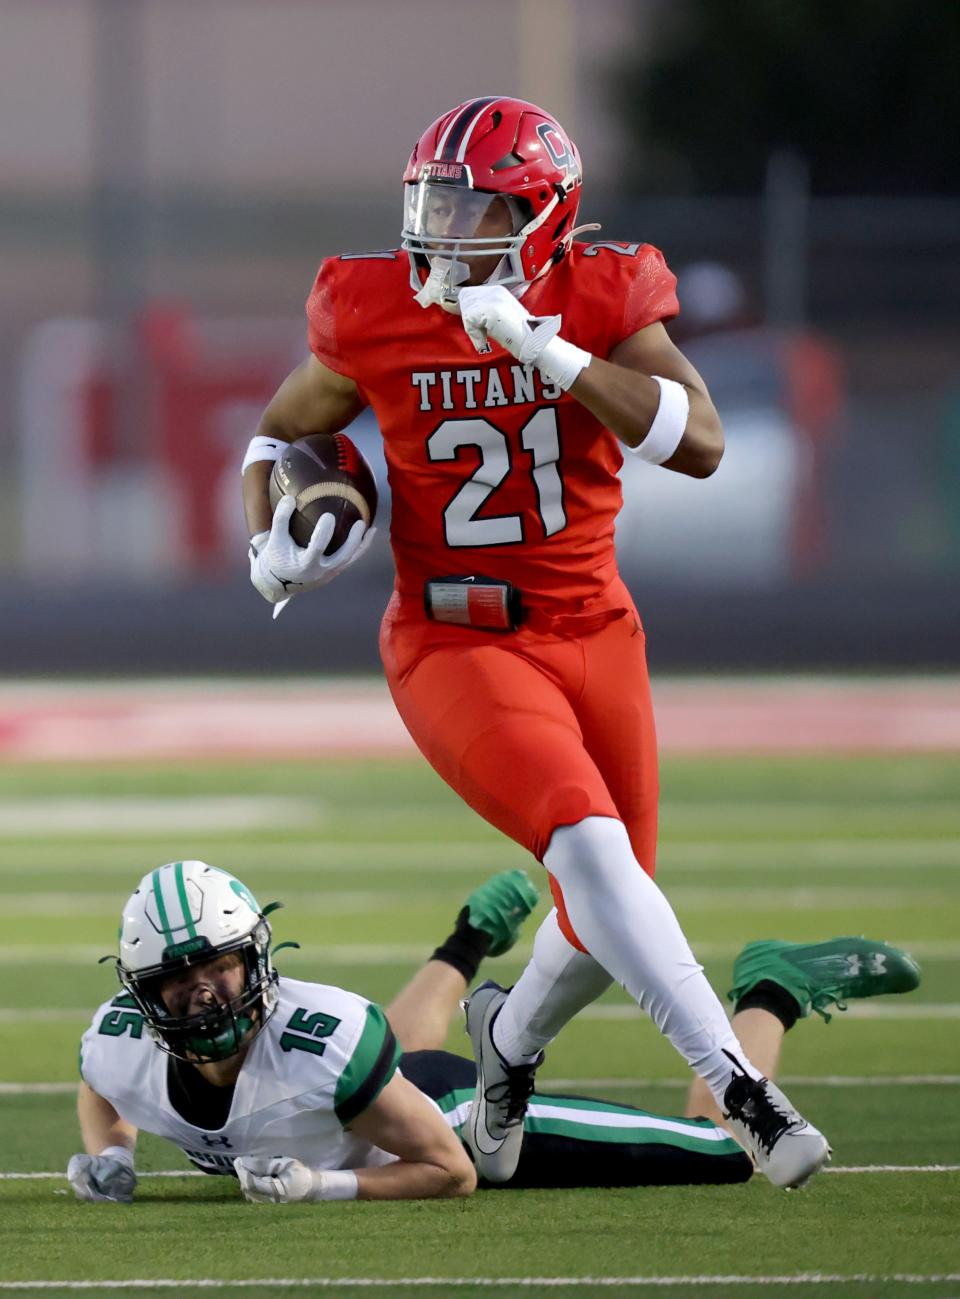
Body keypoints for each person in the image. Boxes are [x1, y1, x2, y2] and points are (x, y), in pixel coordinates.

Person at [241, 96, 825, 1188]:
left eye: (472, 208)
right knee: (594, 855)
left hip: (592, 625)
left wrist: (551, 354)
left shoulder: (601, 294)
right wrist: (266, 536)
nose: (442, 231)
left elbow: (698, 442)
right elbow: (284, 431)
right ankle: (747, 1093)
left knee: (614, 901)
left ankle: (506, 1045)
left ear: (545, 217)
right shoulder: (371, 304)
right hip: (453, 636)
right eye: (433, 202)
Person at [67, 860, 920, 1204]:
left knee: (726, 1150)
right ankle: (469, 938)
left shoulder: (322, 1042)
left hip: (458, 1113)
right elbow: (104, 1085)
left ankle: (771, 987)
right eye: (177, 982)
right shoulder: (117, 1041)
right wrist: (114, 1154)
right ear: (142, 996)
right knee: (356, 1078)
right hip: (367, 1097)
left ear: (256, 958)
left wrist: (321, 1189)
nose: (204, 995)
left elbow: (450, 1168)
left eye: (218, 966)